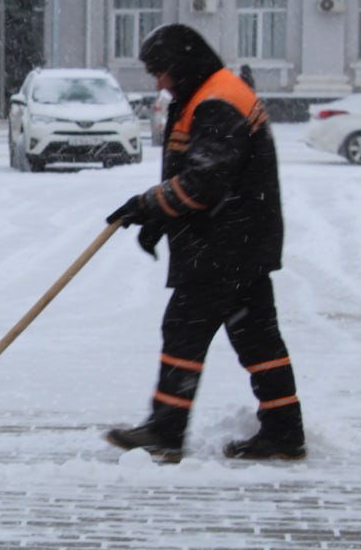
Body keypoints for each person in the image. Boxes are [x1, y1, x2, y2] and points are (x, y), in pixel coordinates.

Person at [104, 24, 305, 464]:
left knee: (185, 330)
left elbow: (206, 181)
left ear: (181, 65)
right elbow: (197, 178)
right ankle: (284, 430)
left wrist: (149, 205)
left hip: (225, 244)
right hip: (236, 240)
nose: (158, 82)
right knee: (257, 338)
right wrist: (160, 214)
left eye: (160, 72)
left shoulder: (217, 101)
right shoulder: (209, 91)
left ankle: (166, 430)